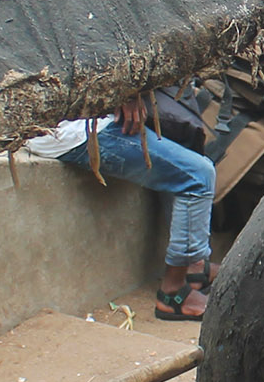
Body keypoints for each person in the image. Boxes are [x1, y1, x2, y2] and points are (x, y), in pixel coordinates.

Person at [29, 96, 217, 319]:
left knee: (182, 145)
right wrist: (125, 94)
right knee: (198, 176)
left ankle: (195, 267)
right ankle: (173, 292)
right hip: (73, 130)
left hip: (92, 120)